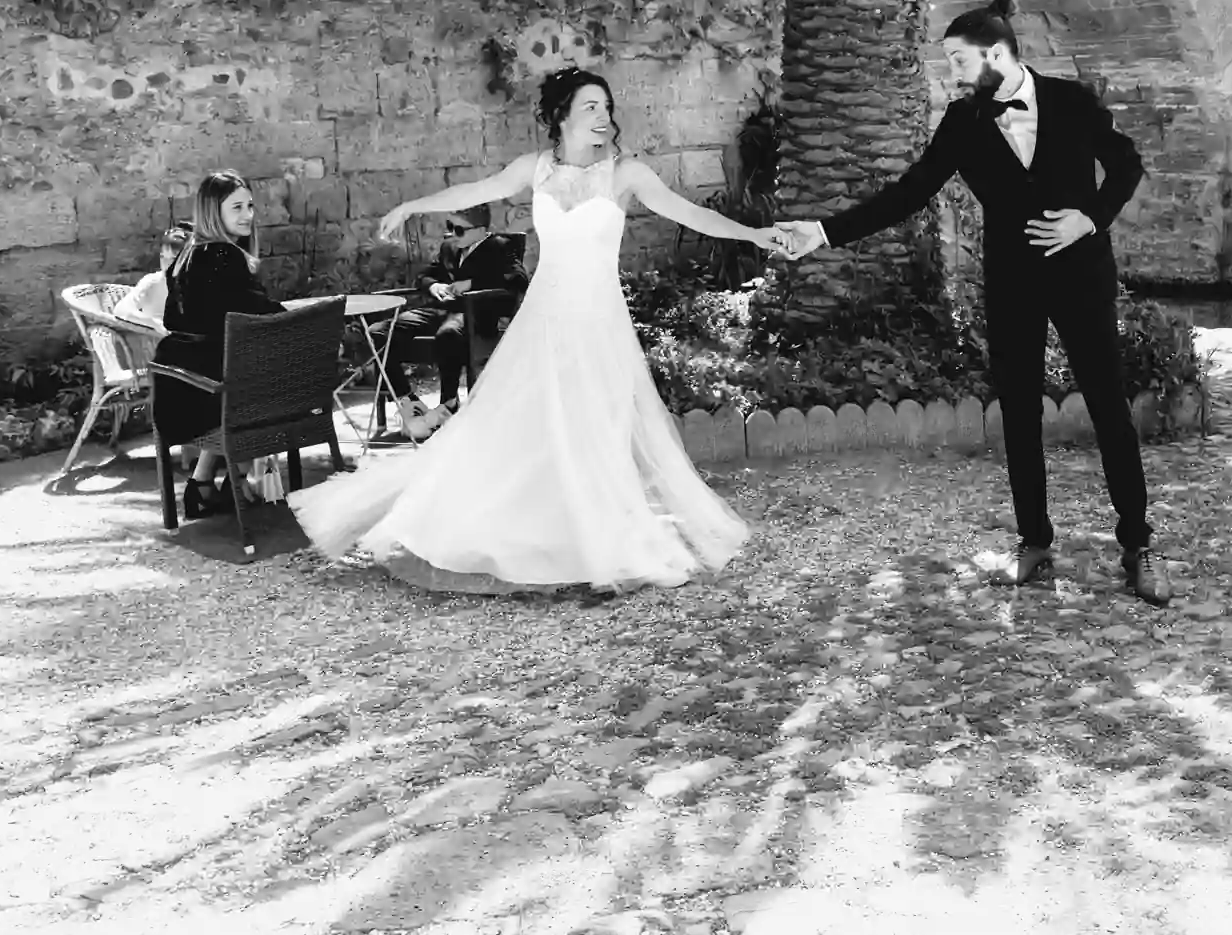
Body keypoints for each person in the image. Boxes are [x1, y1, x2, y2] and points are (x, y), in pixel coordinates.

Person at [287, 67, 769, 593]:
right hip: (543, 320)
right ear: (561, 116)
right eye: (589, 107)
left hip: (597, 321)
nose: (603, 117)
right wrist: (413, 206)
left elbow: (690, 213)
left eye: (606, 108)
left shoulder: (626, 174)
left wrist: (755, 233)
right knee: (521, 425)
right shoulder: (534, 168)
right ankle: (529, 529)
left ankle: (601, 543)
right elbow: (474, 189)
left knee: (596, 427)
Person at [775, 0, 1172, 606]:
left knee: (1108, 406)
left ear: (995, 54)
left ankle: (1137, 544)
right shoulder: (962, 123)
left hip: (1082, 273)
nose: (951, 74)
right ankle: (1035, 541)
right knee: (1017, 412)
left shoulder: (1072, 100)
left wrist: (1088, 219)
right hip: (1012, 281)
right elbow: (908, 194)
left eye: (958, 62)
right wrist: (823, 232)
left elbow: (1125, 164)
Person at [151, 172, 287, 519]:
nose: (248, 215)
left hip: (178, 389)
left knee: (245, 367)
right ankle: (238, 478)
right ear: (214, 211)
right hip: (211, 394)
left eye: (251, 206)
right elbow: (261, 315)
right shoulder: (224, 255)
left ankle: (204, 484)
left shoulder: (188, 254)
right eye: (237, 207)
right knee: (272, 372)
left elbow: (177, 321)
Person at [375, 209, 530, 441]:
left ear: (480, 230)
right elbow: (424, 275)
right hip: (440, 309)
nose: (453, 234)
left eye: (459, 229)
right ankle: (408, 401)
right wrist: (434, 286)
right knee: (378, 332)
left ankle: (448, 404)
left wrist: (470, 283)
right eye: (450, 226)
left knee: (448, 334)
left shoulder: (499, 246)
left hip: (473, 313)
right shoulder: (450, 247)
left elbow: (518, 279)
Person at [112, 223, 192, 333]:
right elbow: (121, 309)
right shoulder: (153, 282)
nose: (166, 264)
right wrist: (154, 323)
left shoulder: (193, 285)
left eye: (173, 259)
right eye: (163, 257)